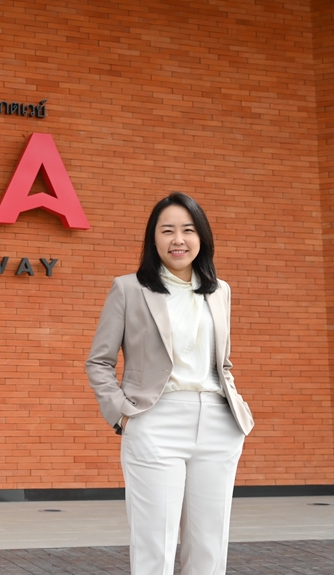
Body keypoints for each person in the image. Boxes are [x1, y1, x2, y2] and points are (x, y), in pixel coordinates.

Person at [86, 192, 254, 575]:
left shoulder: (219, 291)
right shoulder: (129, 289)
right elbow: (99, 361)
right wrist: (123, 414)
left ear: (201, 237)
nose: (178, 239)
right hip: (155, 420)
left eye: (188, 230)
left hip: (218, 422)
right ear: (154, 238)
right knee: (154, 545)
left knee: (210, 546)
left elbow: (221, 361)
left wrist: (236, 407)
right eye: (167, 230)